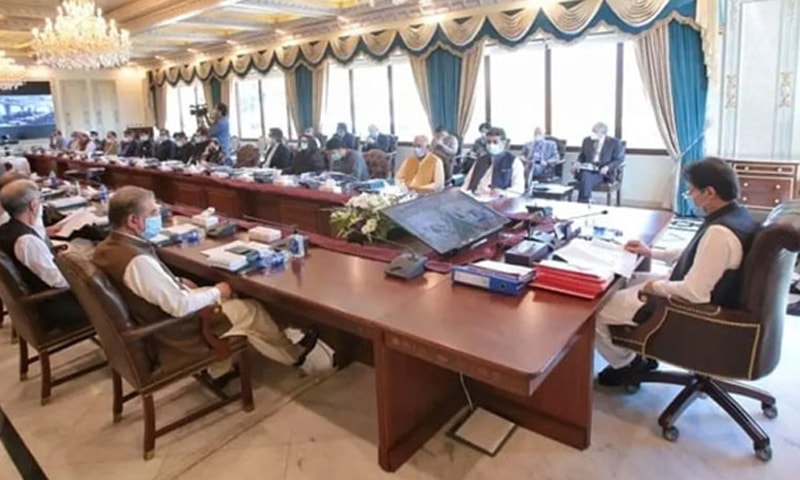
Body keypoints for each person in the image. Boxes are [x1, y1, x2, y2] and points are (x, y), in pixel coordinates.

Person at [92, 186, 321, 377]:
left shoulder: (110, 247)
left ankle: (222, 366)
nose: (158, 218)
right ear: (133, 220)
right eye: (152, 213)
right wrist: (218, 291)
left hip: (156, 315)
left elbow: (147, 286)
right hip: (178, 333)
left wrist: (176, 280)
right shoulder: (137, 260)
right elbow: (179, 306)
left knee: (222, 292)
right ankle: (293, 355)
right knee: (251, 308)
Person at [594, 157, 759, 387]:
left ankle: (626, 365)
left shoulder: (720, 233)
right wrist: (651, 253)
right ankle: (639, 353)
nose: (690, 196)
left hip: (692, 308)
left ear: (709, 192)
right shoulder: (737, 216)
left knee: (595, 311)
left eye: (692, 191)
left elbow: (694, 293)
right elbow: (697, 253)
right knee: (622, 282)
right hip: (704, 290)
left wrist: (653, 287)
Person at [0, 180, 85, 328]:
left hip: (37, 295)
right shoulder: (27, 241)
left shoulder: (6, 229)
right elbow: (59, 281)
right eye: (40, 200)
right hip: (52, 306)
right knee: (110, 298)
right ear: (33, 205)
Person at [462, 127, 525, 197]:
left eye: (495, 142)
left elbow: (519, 188)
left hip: (498, 201)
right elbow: (467, 182)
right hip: (475, 198)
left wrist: (504, 193)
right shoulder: (480, 160)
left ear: (503, 143)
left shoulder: (514, 162)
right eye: (488, 142)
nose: (491, 145)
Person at [572, 122, 625, 203]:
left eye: (595, 132)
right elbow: (581, 156)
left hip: (603, 172)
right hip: (587, 168)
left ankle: (584, 201)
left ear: (603, 133)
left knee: (585, 178)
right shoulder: (587, 140)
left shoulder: (614, 143)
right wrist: (578, 163)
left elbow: (619, 159)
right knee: (586, 175)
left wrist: (608, 167)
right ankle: (586, 200)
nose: (592, 134)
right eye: (592, 131)